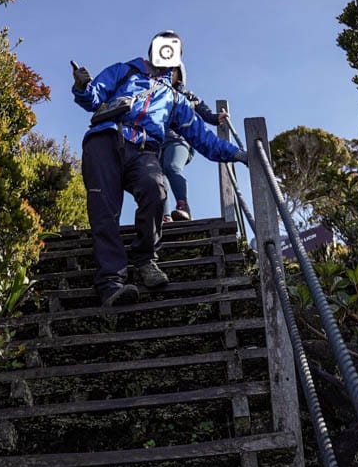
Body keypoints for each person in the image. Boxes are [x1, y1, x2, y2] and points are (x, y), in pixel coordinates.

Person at [72, 31, 247, 307]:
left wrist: (237, 153)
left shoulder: (175, 99)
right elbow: (93, 98)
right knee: (104, 211)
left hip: (144, 148)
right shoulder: (125, 70)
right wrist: (83, 87)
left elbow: (203, 138)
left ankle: (145, 260)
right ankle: (111, 283)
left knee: (155, 190)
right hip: (104, 139)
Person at [161, 64, 228, 223]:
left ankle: (183, 207)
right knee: (157, 176)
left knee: (171, 166)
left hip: (179, 140)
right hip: (157, 142)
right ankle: (164, 216)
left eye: (173, 70)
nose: (168, 73)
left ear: (180, 75)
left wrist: (214, 117)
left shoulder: (185, 95)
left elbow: (201, 108)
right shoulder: (154, 94)